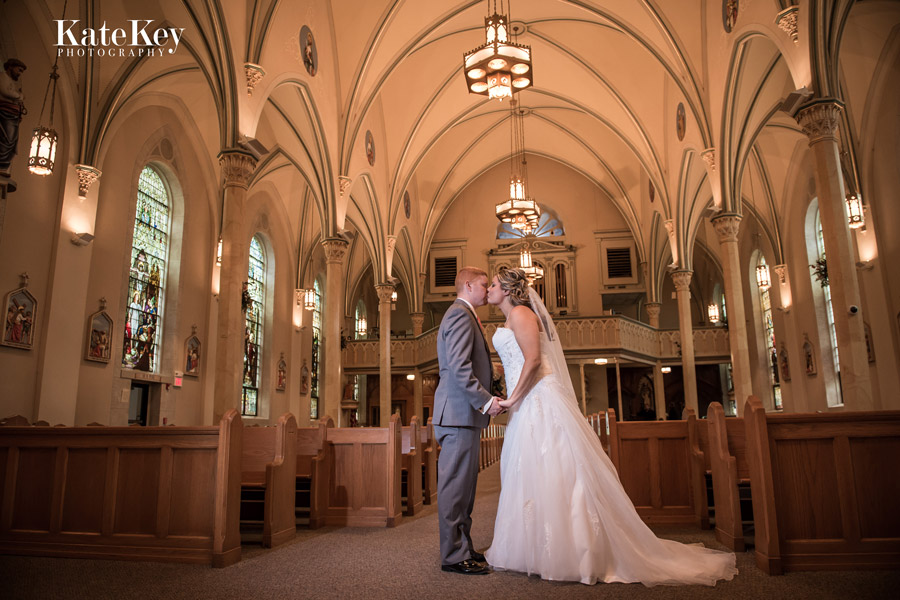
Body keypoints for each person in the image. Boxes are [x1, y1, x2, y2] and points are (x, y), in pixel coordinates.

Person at [484, 268, 737, 586]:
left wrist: (511, 401)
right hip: (526, 402)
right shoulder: (509, 319)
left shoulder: (521, 313)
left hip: (540, 400)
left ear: (507, 290)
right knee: (532, 470)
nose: (488, 289)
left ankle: (574, 550)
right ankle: (535, 548)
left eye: (493, 284)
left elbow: (533, 361)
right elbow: (517, 363)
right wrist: (510, 397)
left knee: (556, 469)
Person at [433, 266, 503, 576]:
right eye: (484, 285)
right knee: (455, 490)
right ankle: (452, 556)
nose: (488, 290)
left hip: (465, 416)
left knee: (466, 489)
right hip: (459, 414)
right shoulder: (460, 314)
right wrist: (487, 402)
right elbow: (460, 368)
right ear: (468, 284)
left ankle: (462, 546)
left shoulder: (467, 314)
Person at [0, 58, 26, 176]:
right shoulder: (3, 77)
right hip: (4, 113)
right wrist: (19, 96)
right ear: (10, 67)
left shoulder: (11, 81)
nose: (19, 73)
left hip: (12, 115)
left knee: (11, 140)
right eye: (19, 70)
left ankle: (4, 166)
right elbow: (5, 92)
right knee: (6, 138)